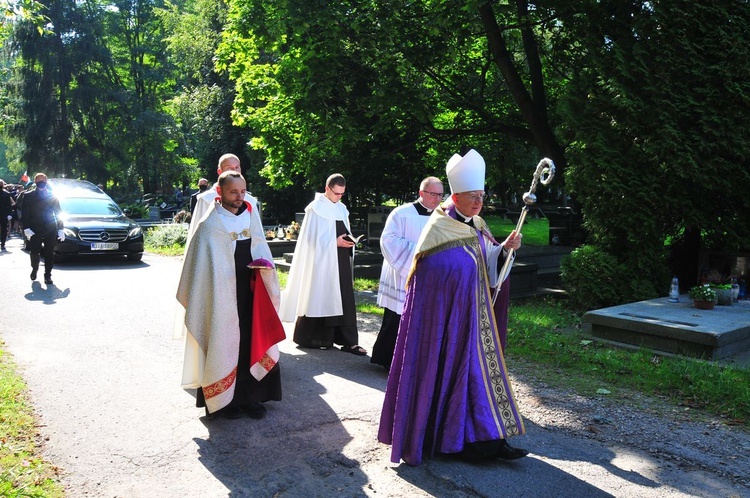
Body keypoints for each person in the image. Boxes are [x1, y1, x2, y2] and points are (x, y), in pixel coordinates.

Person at [378, 149, 527, 465]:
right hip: (444, 327)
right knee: (450, 373)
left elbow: (487, 262)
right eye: (472, 196)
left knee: (477, 377)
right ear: (455, 196)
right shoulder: (438, 230)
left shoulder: (478, 222)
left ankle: (487, 442)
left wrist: (504, 251)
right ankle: (452, 439)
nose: (478, 202)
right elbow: (432, 276)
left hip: (474, 320)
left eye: (482, 196)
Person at [175, 170, 284, 419]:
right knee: (225, 343)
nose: (239, 197)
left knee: (249, 340)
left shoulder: (250, 217)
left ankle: (252, 397)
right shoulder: (209, 226)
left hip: (251, 293)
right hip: (221, 298)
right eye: (234, 192)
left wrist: (265, 269)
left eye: (243, 191)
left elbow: (261, 249)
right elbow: (198, 271)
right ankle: (227, 401)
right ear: (220, 192)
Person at [279, 173, 367, 356]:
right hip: (321, 262)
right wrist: (333, 243)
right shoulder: (315, 209)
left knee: (343, 297)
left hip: (341, 259)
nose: (339, 197)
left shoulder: (342, 209)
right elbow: (309, 240)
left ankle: (349, 341)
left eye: (342, 194)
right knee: (320, 295)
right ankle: (315, 338)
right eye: (336, 193)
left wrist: (350, 242)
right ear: (327, 189)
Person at [370, 177, 444, 371]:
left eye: (440, 195)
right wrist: (419, 254)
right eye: (433, 194)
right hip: (402, 273)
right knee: (397, 317)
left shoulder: (443, 217)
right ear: (421, 193)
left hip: (429, 275)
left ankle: (414, 363)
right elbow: (388, 240)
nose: (437, 199)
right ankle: (387, 360)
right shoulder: (401, 213)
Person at [188, 155, 260, 241]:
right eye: (229, 168)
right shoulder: (206, 200)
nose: (234, 171)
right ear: (219, 171)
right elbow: (198, 236)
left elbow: (258, 238)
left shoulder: (250, 201)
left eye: (237, 167)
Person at [21, 174, 64, 285]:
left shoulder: (52, 195)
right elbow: (25, 213)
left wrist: (61, 228)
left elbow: (59, 212)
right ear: (35, 181)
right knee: (35, 251)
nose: (41, 181)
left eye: (43, 180)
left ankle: (48, 275)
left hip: (50, 227)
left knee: (49, 252)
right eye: (39, 180)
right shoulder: (28, 195)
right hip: (34, 228)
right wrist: (26, 228)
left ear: (46, 181)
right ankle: (35, 268)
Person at [0, 180, 15, 250]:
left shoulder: (6, 194)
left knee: (3, 229)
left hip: (3, 214)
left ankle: (3, 243)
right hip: (4, 214)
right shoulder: (6, 194)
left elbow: (9, 205)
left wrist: (9, 214)